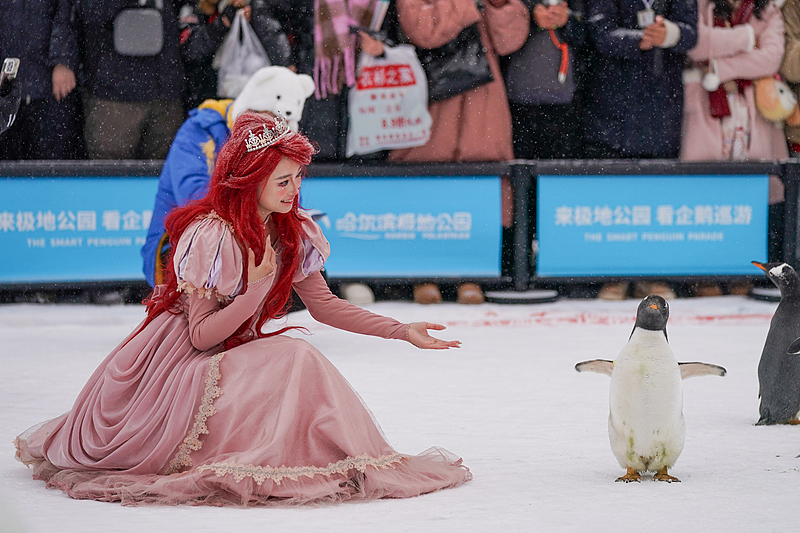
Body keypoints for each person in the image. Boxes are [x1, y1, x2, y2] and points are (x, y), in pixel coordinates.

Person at [15, 111, 470, 506]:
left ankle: (338, 457)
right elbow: (200, 336)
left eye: (298, 177)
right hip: (179, 363)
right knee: (294, 356)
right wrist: (254, 292)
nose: (295, 190)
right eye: (283, 180)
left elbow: (325, 307)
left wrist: (400, 330)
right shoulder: (213, 235)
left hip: (231, 348)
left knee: (296, 357)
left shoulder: (293, 231)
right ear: (252, 181)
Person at [389, 0, 530, 305]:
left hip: (482, 89)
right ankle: (422, 274)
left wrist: (499, 6)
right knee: (423, 172)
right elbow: (423, 31)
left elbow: (511, 40)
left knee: (483, 172)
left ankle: (473, 271)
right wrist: (468, 5)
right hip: (429, 89)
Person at [141, 65, 314, 287]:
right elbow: (194, 197)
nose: (267, 130)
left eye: (279, 126)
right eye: (266, 119)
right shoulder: (202, 129)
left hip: (248, 240)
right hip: (182, 244)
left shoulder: (275, 143)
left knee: (299, 259)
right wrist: (255, 206)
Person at [584, 0, 698, 300]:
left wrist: (669, 34)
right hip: (612, 104)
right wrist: (641, 39)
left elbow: (691, 34)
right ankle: (615, 275)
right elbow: (600, 33)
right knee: (615, 199)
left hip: (663, 104)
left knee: (656, 197)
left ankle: (652, 275)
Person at [681, 0, 787, 293]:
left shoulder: (768, 8)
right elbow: (695, 44)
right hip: (706, 107)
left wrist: (719, 65)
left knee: (751, 196)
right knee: (706, 194)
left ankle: (744, 270)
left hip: (752, 110)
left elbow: (771, 58)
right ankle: (705, 273)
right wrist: (746, 39)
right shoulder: (701, 5)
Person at [77, 0, 185, 159]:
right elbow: (90, 14)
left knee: (165, 170)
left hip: (165, 94)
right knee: (110, 172)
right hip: (114, 97)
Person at [0, 0, 84, 160]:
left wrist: (63, 60)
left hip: (49, 85)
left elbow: (68, 13)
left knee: (52, 160)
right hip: (6, 83)